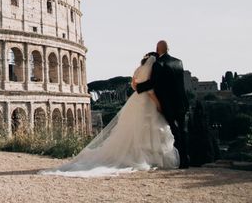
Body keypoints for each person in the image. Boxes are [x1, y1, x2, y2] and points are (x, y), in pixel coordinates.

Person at [40, 51, 179, 177]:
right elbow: (150, 90)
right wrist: (158, 103)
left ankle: (137, 155)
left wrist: (139, 90)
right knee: (150, 127)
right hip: (148, 100)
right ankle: (150, 158)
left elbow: (134, 85)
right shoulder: (153, 70)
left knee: (132, 129)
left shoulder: (138, 69)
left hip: (136, 99)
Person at [136, 40, 190, 168]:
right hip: (182, 101)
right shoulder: (179, 62)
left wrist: (138, 87)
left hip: (168, 103)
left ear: (157, 49)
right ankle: (185, 159)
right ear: (168, 48)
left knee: (173, 130)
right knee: (183, 130)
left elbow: (153, 83)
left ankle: (180, 160)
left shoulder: (158, 64)